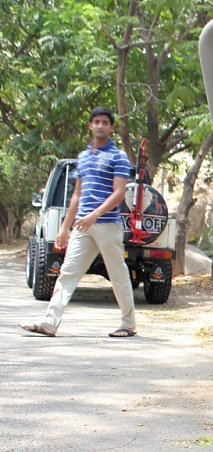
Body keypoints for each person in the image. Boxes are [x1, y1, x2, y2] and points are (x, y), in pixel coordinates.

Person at [20, 106, 137, 338]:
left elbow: (119, 193)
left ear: (111, 127)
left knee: (118, 274)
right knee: (68, 273)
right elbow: (77, 194)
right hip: (82, 226)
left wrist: (95, 214)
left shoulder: (118, 157)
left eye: (105, 122)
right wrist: (64, 227)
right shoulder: (83, 158)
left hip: (107, 224)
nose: (100, 126)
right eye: (96, 122)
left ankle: (128, 323)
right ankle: (49, 323)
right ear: (90, 125)